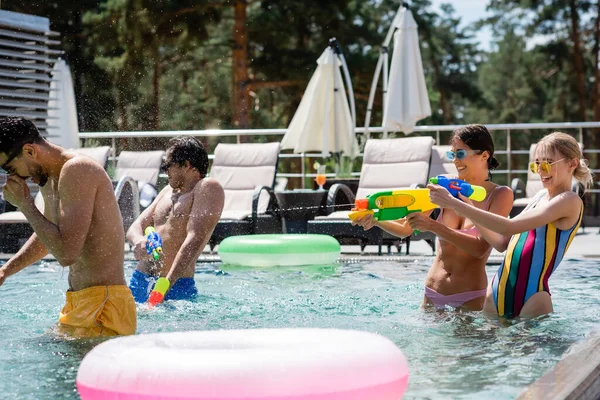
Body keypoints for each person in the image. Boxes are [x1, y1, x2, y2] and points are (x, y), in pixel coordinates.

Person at [429, 132, 592, 318]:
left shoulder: (569, 201)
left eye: (547, 163)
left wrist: (454, 204)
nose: (540, 170)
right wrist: (467, 206)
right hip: (497, 290)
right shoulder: (540, 197)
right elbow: (502, 243)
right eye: (536, 164)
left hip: (531, 298)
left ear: (572, 163)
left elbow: (509, 226)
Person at [352, 125, 514, 311]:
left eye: (460, 154)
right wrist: (374, 218)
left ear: (484, 155)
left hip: (469, 297)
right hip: (432, 292)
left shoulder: (500, 195)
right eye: (452, 155)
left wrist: (433, 226)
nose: (455, 161)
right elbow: (406, 228)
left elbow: (479, 248)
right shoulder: (445, 185)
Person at [0, 117, 136, 337]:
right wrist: (6, 271)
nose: (13, 177)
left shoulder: (77, 170)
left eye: (9, 168)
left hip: (104, 306)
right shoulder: (49, 177)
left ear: (30, 151)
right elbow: (49, 239)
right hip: (81, 302)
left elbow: (66, 253)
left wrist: (25, 205)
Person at [127, 136, 224, 303]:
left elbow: (194, 239)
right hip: (140, 280)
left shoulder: (207, 187)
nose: (165, 172)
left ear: (186, 165)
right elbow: (135, 226)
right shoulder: (166, 191)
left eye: (167, 165)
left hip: (174, 286)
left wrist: (163, 287)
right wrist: (139, 240)